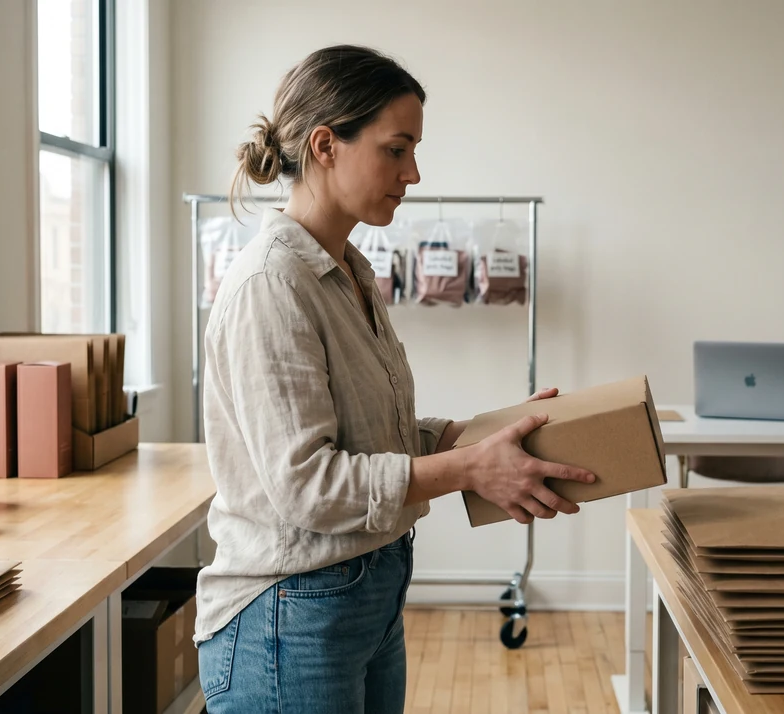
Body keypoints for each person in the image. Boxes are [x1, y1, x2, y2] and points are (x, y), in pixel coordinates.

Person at [194, 45, 595, 714]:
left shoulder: (350, 272)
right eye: (396, 149)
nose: (413, 172)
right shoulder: (272, 284)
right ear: (326, 145)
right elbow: (308, 488)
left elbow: (376, 435)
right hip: (289, 614)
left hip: (366, 592)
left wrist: (488, 434)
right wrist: (470, 469)